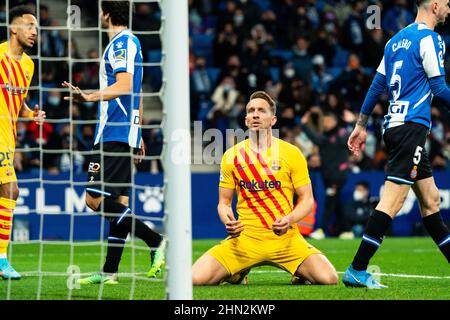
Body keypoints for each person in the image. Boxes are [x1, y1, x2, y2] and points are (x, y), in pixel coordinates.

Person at [343, 0, 450, 289]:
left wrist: (361, 124)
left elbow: (377, 85)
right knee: (394, 200)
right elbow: (439, 88)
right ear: (436, 5)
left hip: (394, 126)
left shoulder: (394, 41)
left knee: (430, 201)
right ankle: (357, 268)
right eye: (448, 4)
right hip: (411, 128)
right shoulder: (431, 39)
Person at [62, 1, 165, 285]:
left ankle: (155, 240)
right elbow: (138, 92)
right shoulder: (129, 43)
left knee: (95, 200)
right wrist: (139, 131)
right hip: (125, 131)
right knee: (119, 201)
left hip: (113, 132)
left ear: (106, 14)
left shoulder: (121, 43)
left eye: (99, 10)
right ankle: (110, 271)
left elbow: (124, 86)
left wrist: (88, 96)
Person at [192, 91, 338, 286]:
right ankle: (238, 272)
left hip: (286, 239)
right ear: (245, 120)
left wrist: (289, 219)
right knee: (194, 279)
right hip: (245, 240)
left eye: (261, 110)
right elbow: (224, 203)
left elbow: (307, 200)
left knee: (329, 279)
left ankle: (297, 271)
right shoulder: (231, 156)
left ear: (273, 119)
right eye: (251, 111)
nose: (255, 114)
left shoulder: (291, 153)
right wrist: (227, 219)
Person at [0, 5, 46, 280]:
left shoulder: (28, 65)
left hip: (9, 139)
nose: (34, 32)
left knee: (10, 193)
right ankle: (2, 259)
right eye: (29, 26)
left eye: (37, 28)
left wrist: (31, 114)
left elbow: (18, 104)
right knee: (10, 191)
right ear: (14, 28)